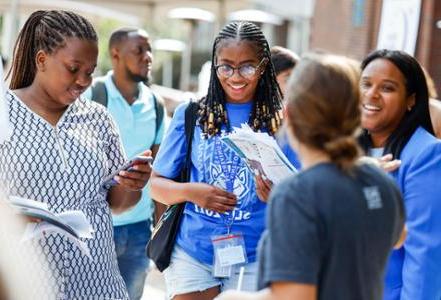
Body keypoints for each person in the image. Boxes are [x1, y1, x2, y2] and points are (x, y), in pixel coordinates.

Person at [217, 54, 405, 300]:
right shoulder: (380, 181)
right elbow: (398, 237)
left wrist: (232, 297)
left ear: (289, 112)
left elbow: (295, 296)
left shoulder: (298, 194)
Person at [1, 10, 152, 299]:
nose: (84, 80)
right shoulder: (4, 115)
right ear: (42, 60)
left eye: (90, 71)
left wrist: (133, 183)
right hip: (27, 281)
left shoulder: (99, 119)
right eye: (74, 68)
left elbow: (119, 204)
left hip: (96, 281)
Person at [150, 21, 284, 299]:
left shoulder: (282, 121)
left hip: (254, 256)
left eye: (247, 66)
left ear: (263, 66)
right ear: (214, 66)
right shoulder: (191, 114)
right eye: (226, 67)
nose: (236, 77)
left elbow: (303, 192)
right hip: (193, 252)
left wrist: (278, 195)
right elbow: (155, 186)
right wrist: (191, 192)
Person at [83, 27, 165, 300]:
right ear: (115, 54)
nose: (148, 57)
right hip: (94, 228)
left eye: (149, 49)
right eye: (139, 50)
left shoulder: (155, 104)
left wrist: (159, 231)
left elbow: (159, 171)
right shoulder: (91, 96)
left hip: (139, 231)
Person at [358, 49, 441, 300]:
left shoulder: (426, 154)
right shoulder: (343, 148)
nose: (371, 95)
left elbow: (423, 252)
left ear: (411, 100)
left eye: (387, 88)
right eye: (366, 84)